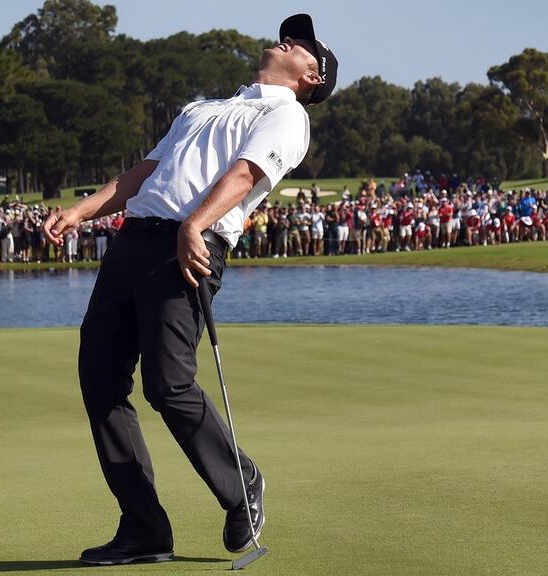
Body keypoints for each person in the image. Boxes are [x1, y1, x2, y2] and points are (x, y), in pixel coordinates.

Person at [42, 13, 336, 565]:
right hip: (133, 242)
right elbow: (145, 172)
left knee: (169, 383)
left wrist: (194, 225)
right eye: (292, 35)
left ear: (312, 77)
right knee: (99, 379)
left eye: (304, 44)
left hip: (187, 248)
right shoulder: (202, 108)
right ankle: (145, 527)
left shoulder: (288, 114)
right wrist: (82, 210)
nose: (289, 40)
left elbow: (246, 175)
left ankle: (241, 482)